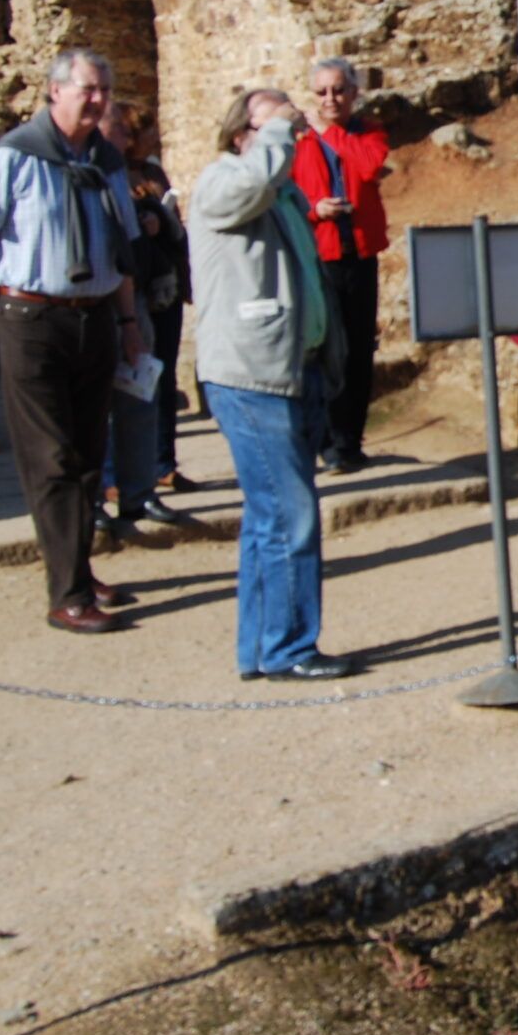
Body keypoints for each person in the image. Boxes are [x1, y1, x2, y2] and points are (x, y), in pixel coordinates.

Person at [0, 49, 146, 633]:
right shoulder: (12, 158)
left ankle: (80, 571)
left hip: (94, 318)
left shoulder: (109, 162)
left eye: (104, 91)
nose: (97, 101)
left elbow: (121, 253)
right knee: (51, 457)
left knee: (90, 453)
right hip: (32, 319)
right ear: (55, 92)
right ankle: (66, 595)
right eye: (88, 90)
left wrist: (129, 323)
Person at [192, 89, 356, 681]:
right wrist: (279, 135)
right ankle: (289, 649)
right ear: (242, 136)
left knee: (269, 519)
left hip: (295, 370)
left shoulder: (283, 193)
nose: (290, 132)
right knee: (290, 513)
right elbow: (246, 189)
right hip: (251, 375)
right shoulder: (221, 181)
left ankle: (262, 650)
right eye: (274, 124)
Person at [94, 102, 191, 537]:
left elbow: (175, 229)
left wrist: (163, 220)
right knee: (111, 394)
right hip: (117, 296)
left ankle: (156, 470)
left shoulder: (149, 174)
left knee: (156, 384)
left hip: (158, 287)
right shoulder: (98, 174)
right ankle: (112, 480)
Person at [289, 56, 389, 474]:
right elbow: (289, 195)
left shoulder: (369, 134)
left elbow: (368, 166)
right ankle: (325, 439)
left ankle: (350, 440)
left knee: (360, 349)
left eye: (339, 90)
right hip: (321, 255)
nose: (331, 98)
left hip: (360, 254)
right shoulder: (299, 142)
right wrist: (316, 210)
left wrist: (329, 132)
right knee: (326, 349)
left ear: (354, 93)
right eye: (322, 92)